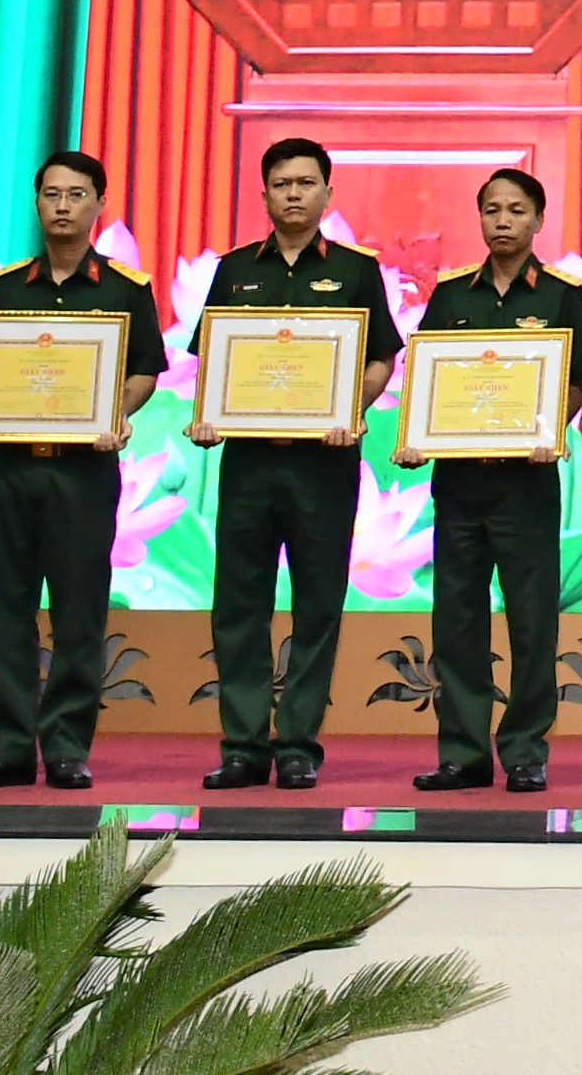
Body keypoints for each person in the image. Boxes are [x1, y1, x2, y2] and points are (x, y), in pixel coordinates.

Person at [185, 137, 401, 790]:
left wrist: (351, 407)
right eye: (282, 184)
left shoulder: (357, 271)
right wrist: (207, 414)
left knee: (318, 604)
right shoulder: (233, 271)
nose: (294, 194)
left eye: (306, 183)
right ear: (264, 195)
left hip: (323, 465)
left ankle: (299, 743)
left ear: (327, 193)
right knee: (238, 605)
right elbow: (214, 361)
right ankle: (243, 746)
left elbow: (380, 357)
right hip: (249, 464)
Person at [0, 150, 165, 790]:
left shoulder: (126, 288)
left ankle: (68, 746)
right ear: (37, 203)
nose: (63, 206)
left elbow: (145, 372)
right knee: (4, 611)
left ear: (100, 204)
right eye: (51, 194)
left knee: (78, 614)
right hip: (12, 470)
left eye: (76, 195)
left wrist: (114, 413)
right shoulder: (8, 286)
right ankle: (8, 747)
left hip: (84, 472)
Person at [403, 168, 582, 793]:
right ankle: (462, 752)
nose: (503, 221)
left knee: (532, 624)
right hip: (459, 486)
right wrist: (417, 437)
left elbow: (574, 384)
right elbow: (429, 380)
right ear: (479, 218)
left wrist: (549, 428)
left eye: (516, 210)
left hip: (526, 485)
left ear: (538, 220)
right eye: (492, 210)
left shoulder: (563, 295)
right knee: (456, 622)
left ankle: (525, 751)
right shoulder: (451, 294)